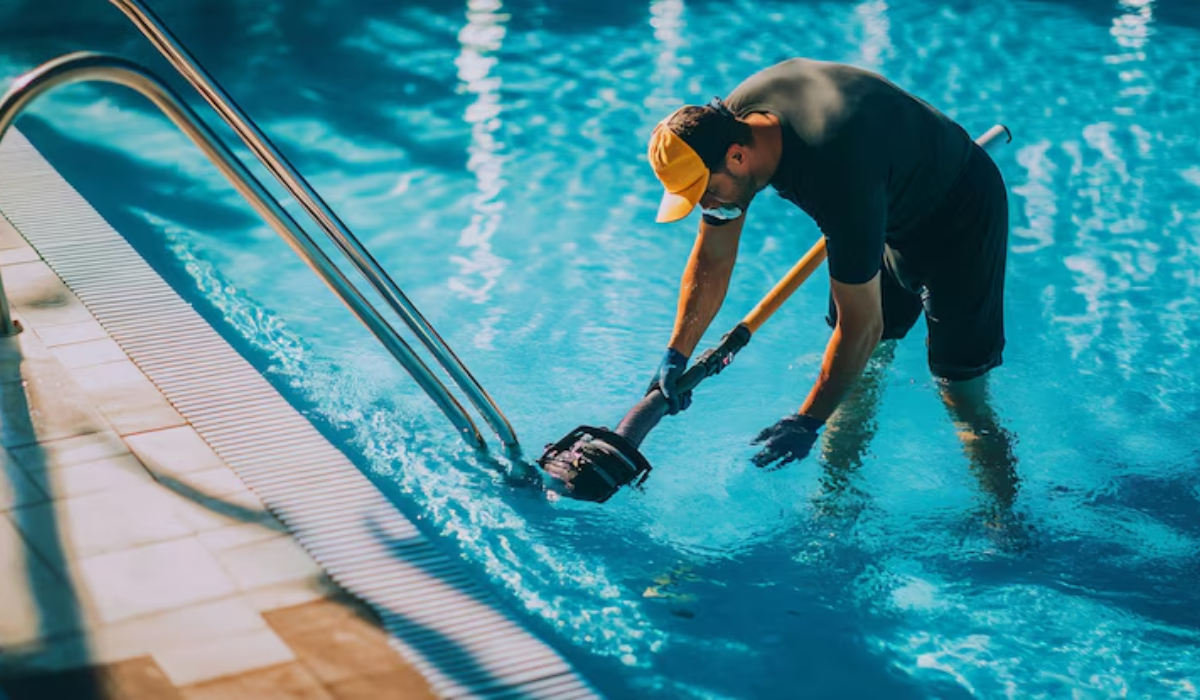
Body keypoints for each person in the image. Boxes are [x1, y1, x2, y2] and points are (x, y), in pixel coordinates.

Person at [645, 58, 1018, 499]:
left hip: (958, 213)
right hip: (882, 195)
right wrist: (676, 352)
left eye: (706, 192)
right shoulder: (729, 125)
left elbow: (860, 325)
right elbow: (713, 255)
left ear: (738, 157)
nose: (708, 205)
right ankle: (836, 504)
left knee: (960, 392)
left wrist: (806, 421)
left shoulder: (837, 176)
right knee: (857, 376)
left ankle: (1003, 518)